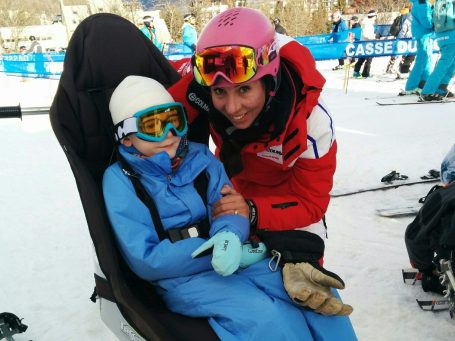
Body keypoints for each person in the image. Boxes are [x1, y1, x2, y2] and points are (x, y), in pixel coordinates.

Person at [103, 75, 353, 340]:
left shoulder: (199, 158)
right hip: (183, 279)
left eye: (173, 121)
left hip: (239, 258)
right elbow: (145, 258)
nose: (169, 135)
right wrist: (213, 251)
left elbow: (230, 205)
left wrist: (229, 235)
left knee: (316, 295)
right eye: (153, 127)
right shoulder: (121, 181)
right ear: (126, 137)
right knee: (269, 318)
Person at [169, 7, 356, 339]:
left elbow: (312, 203)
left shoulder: (313, 123)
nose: (232, 107)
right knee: (254, 298)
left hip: (292, 204)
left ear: (269, 82)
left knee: (314, 302)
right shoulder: (210, 80)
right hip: (234, 192)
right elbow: (157, 111)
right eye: (220, 92)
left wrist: (254, 210)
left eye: (244, 90)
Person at [419, 0, 455, 101]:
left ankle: (441, 88)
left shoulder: (438, 2)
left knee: (451, 63)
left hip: (441, 35)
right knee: (444, 64)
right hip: (452, 35)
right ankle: (427, 91)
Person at [400, 0, 434, 96]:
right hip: (424, 33)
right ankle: (411, 86)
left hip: (424, 33)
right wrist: (435, 24)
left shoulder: (419, 2)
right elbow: (425, 20)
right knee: (422, 60)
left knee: (427, 61)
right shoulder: (422, 2)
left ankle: (422, 84)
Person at [385, 7, 415, 78]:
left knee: (397, 53)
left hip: (402, 37)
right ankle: (402, 69)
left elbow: (403, 29)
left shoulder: (403, 16)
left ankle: (391, 67)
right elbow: (404, 29)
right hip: (408, 39)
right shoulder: (410, 18)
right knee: (406, 54)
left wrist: (399, 38)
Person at [353, 10, 378, 78]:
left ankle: (356, 71)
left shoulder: (368, 22)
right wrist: (373, 37)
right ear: (373, 16)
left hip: (365, 43)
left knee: (362, 58)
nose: (376, 17)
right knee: (368, 59)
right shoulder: (367, 23)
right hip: (367, 43)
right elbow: (366, 34)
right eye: (376, 15)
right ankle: (365, 73)